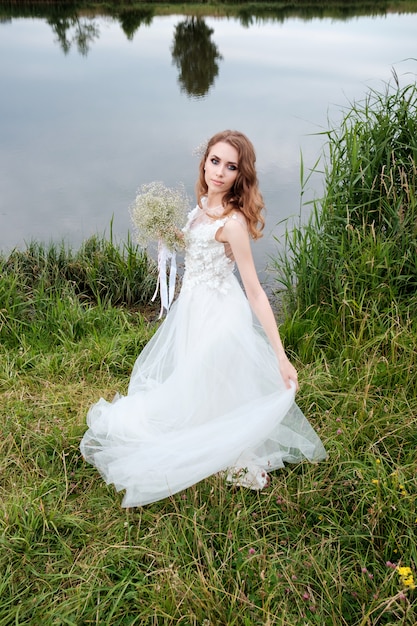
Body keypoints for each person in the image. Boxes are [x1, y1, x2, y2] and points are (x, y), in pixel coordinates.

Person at [80, 130, 326, 507]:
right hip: (192, 309)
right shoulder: (200, 208)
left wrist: (280, 355)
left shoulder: (233, 223)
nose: (220, 173)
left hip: (220, 313)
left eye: (231, 167)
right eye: (215, 161)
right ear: (204, 161)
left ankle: (234, 453)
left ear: (240, 174)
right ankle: (209, 435)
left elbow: (256, 291)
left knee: (214, 374)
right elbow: (195, 245)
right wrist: (171, 233)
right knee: (198, 382)